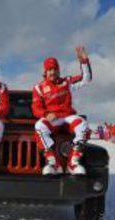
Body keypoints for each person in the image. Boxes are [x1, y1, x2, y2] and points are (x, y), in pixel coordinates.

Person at [32, 46, 92, 175]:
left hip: (67, 117)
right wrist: (46, 114)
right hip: (53, 119)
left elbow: (86, 79)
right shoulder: (39, 88)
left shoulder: (67, 82)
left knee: (83, 124)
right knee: (39, 125)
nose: (52, 72)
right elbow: (36, 108)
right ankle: (54, 164)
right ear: (45, 71)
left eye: (55, 69)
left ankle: (73, 163)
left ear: (59, 70)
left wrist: (84, 63)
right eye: (49, 69)